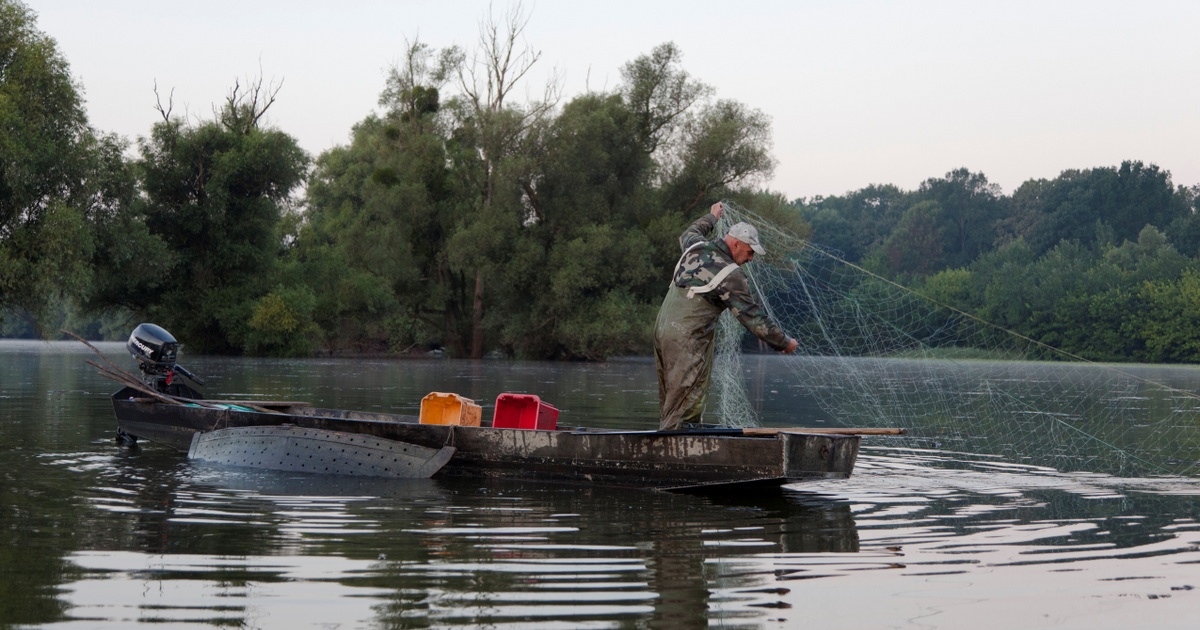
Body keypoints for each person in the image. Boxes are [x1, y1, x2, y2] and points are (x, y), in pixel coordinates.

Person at [653, 202, 799, 431]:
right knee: (685, 401)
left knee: (672, 400)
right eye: (750, 252)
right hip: (686, 339)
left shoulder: (695, 247)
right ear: (736, 244)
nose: (751, 258)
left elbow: (690, 232)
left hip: (662, 331)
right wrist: (784, 343)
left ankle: (673, 440)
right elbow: (752, 316)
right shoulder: (731, 275)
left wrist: (712, 217)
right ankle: (676, 451)